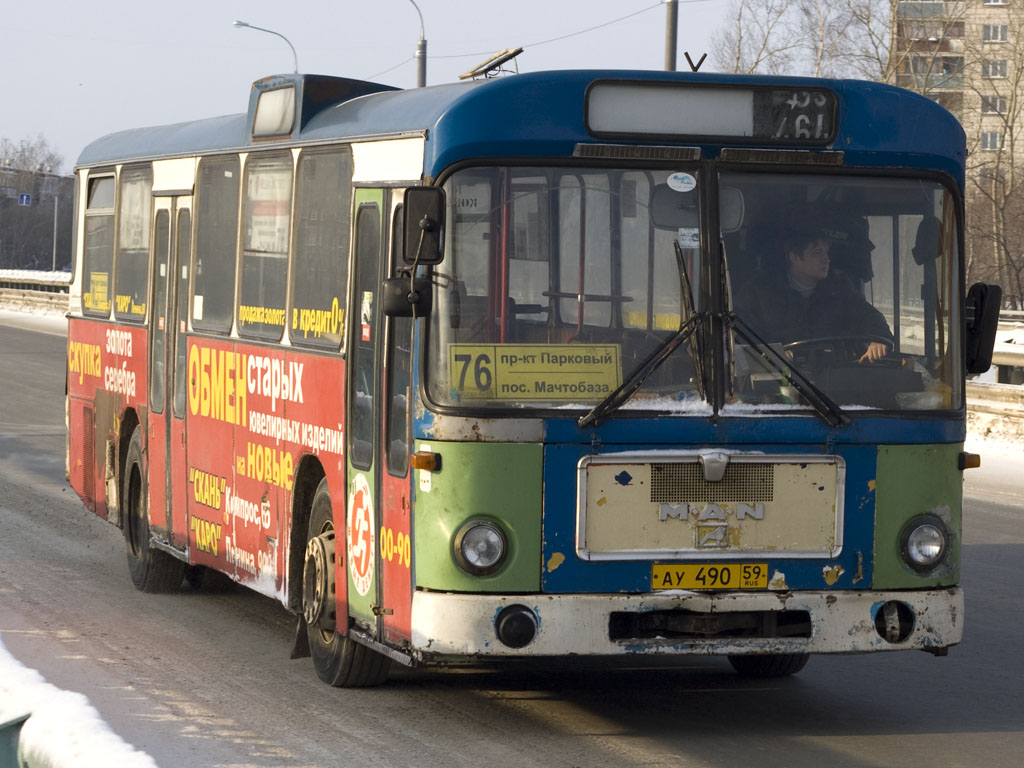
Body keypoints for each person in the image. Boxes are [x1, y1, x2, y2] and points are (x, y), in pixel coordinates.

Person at [735, 224, 893, 363]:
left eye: (826, 252)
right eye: (817, 253)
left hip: (831, 383)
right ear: (795, 257)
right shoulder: (758, 292)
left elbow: (867, 315)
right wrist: (772, 353)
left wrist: (878, 339)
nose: (827, 259)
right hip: (777, 382)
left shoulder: (840, 289)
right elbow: (740, 337)